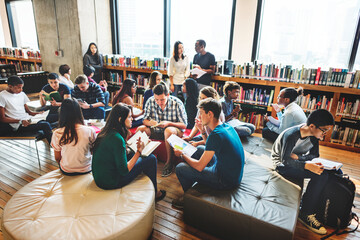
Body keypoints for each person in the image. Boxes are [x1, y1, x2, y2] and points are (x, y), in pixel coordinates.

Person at [271, 109, 338, 235]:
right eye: (324, 131)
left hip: (295, 161)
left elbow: (314, 155)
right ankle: (306, 213)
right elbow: (285, 161)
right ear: (312, 126)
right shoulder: (292, 135)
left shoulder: (314, 135)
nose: (325, 135)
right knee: (321, 175)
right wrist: (306, 166)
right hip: (280, 164)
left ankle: (314, 204)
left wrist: (300, 158)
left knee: (329, 172)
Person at [171, 98, 245, 209]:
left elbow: (199, 166)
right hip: (233, 174)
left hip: (225, 180)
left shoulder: (216, 135)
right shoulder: (226, 127)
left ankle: (190, 197)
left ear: (210, 114)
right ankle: (196, 187)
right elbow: (208, 144)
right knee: (200, 148)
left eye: (201, 113)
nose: (198, 117)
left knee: (181, 168)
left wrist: (182, 155)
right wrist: (202, 131)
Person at [91, 103, 166, 201]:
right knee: (151, 158)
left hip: (99, 178)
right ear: (120, 119)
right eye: (129, 117)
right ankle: (155, 193)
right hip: (111, 182)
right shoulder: (117, 139)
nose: (132, 119)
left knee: (131, 152)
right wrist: (139, 151)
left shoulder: (105, 131)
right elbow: (124, 170)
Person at [137, 83, 187, 177]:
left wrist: (168, 123)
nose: (159, 102)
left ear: (168, 95)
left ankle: (169, 163)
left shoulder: (177, 103)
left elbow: (184, 125)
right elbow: (144, 120)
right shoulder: (150, 101)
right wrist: (150, 123)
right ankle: (140, 158)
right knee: (141, 129)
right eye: (156, 99)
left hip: (174, 131)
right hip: (156, 130)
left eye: (162, 99)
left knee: (168, 130)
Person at [0, 76, 52, 144]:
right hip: (18, 124)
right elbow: (2, 119)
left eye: (22, 87)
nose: (21, 90)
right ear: (10, 86)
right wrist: (20, 121)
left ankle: (55, 146)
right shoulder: (2, 96)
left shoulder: (21, 94)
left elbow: (29, 112)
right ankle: (55, 148)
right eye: (19, 87)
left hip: (28, 119)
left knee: (50, 119)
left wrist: (38, 114)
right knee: (46, 125)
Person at [51, 98, 96, 176]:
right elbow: (93, 151)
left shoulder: (57, 133)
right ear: (79, 112)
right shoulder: (90, 130)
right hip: (86, 168)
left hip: (67, 170)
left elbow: (57, 158)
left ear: (62, 114)